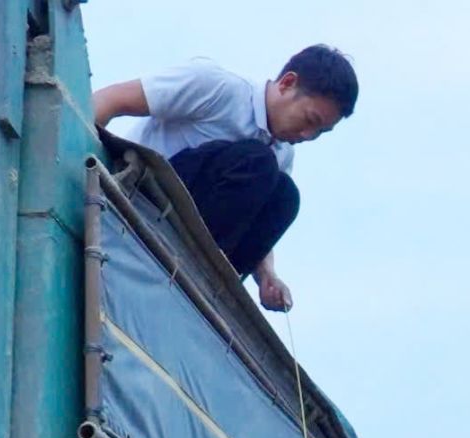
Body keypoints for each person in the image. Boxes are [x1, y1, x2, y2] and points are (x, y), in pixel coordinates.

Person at [92, 46, 358, 312]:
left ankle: (209, 283)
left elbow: (253, 211)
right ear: (287, 83)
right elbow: (112, 99)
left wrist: (267, 276)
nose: (307, 135)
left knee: (286, 196)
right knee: (258, 160)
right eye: (310, 120)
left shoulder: (283, 153)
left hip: (198, 234)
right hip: (143, 200)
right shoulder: (216, 88)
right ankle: (192, 257)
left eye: (320, 133)